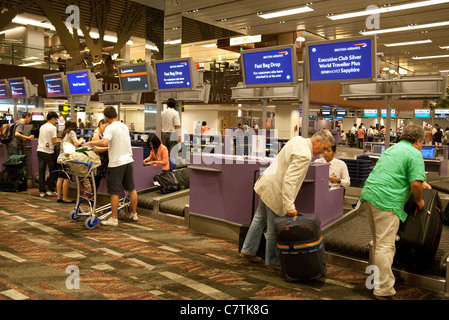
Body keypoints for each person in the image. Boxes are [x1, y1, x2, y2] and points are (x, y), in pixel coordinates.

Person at [239, 130, 335, 267]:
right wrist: (290, 206)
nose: (323, 152)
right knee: (273, 229)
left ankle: (247, 250)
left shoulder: (297, 139)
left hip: (267, 184)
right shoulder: (305, 155)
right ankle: (272, 261)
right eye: (324, 148)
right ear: (317, 141)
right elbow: (290, 180)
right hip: (275, 191)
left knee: (259, 219)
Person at [360, 124, 431, 299]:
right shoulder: (414, 153)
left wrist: (423, 184)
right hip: (386, 201)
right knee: (385, 245)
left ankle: (374, 280)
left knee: (377, 242)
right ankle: (383, 289)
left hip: (369, 195)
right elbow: (415, 183)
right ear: (419, 140)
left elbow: (400, 175)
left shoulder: (393, 149)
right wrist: (420, 200)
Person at [84, 106, 138, 226]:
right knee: (131, 189)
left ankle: (114, 218)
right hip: (128, 161)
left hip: (116, 163)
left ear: (106, 117)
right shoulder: (124, 126)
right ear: (117, 115)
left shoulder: (110, 127)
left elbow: (104, 142)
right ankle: (134, 214)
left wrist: (90, 142)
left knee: (114, 192)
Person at [56, 120, 85, 203]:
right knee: (66, 179)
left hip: (60, 158)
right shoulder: (72, 132)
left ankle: (59, 197)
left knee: (60, 178)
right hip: (66, 159)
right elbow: (76, 143)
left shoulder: (64, 133)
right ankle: (65, 198)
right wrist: (81, 140)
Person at [37, 111, 61, 198]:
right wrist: (60, 140)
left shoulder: (42, 127)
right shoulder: (53, 128)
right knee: (53, 171)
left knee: (41, 171)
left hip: (40, 150)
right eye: (56, 119)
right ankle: (51, 189)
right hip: (49, 152)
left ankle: (42, 191)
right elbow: (54, 141)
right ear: (53, 118)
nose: (56, 121)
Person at [90, 119, 109, 191]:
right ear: (100, 124)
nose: (106, 128)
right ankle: (92, 198)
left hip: (101, 161)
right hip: (97, 162)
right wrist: (108, 148)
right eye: (105, 126)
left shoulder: (101, 134)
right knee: (96, 181)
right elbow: (96, 149)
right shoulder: (96, 135)